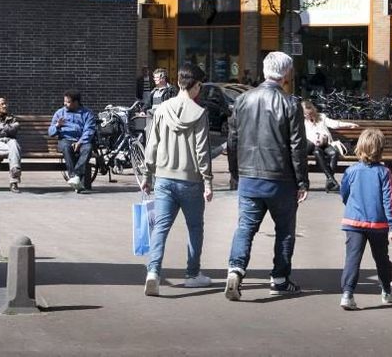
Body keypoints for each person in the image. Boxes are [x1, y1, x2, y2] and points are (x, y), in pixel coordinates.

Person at [224, 51, 309, 300]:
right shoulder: (291, 103)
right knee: (285, 230)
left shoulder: (243, 100)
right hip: (280, 177)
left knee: (245, 227)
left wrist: (234, 172)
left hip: (249, 175)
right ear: (286, 74)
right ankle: (280, 279)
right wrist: (302, 181)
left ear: (264, 71)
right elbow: (297, 146)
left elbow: (232, 139)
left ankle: (236, 270)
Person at [141, 63, 214, 296]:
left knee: (161, 227)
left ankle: (153, 272)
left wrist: (147, 175)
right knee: (195, 227)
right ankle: (192, 274)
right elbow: (202, 150)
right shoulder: (199, 113)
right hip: (191, 180)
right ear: (197, 85)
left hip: (163, 177)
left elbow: (151, 144)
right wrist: (208, 181)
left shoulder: (161, 109)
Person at [339, 128, 392, 310]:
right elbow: (388, 200)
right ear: (380, 149)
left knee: (352, 259)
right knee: (382, 259)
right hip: (378, 223)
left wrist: (352, 206)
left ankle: (347, 294)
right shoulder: (383, 172)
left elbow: (344, 193)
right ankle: (387, 290)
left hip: (353, 222)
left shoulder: (351, 170)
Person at [303, 100, 359, 193]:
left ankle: (330, 181)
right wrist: (315, 140)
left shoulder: (321, 117)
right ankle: (331, 180)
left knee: (334, 153)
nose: (306, 116)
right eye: (304, 114)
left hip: (325, 143)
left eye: (307, 113)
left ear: (312, 111)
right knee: (317, 152)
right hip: (314, 146)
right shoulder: (303, 121)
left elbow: (335, 124)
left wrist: (349, 124)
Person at [48, 90, 96, 193]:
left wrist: (80, 142)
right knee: (66, 147)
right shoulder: (60, 113)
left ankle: (76, 176)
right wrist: (57, 126)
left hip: (81, 140)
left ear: (76, 102)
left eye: (68, 102)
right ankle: (75, 177)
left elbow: (89, 130)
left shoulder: (87, 113)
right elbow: (50, 132)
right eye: (64, 101)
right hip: (65, 140)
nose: (65, 104)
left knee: (88, 148)